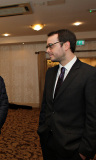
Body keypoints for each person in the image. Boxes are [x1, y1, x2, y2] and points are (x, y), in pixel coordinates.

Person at [37, 29, 96, 160]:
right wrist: (42, 130)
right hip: (48, 143)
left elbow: (93, 117)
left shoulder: (89, 74)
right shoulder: (50, 73)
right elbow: (46, 106)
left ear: (66, 45)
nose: (47, 50)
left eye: (51, 46)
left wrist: (84, 151)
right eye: (47, 46)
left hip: (73, 148)